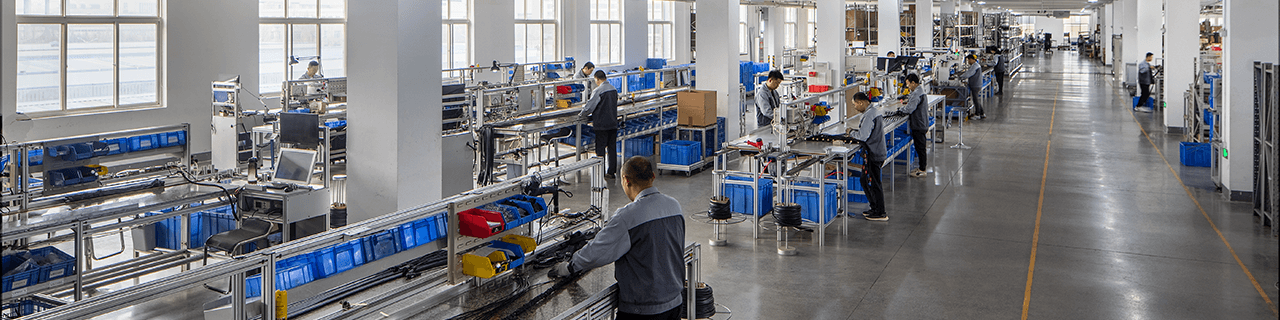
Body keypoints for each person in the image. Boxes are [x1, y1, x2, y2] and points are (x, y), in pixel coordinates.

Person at [550, 156, 686, 320]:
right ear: (653, 177)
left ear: (626, 180)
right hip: (675, 303)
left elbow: (597, 252)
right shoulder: (675, 206)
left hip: (643, 311)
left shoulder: (628, 216)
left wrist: (568, 267)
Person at [847, 92, 888, 221]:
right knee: (865, 180)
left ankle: (880, 212)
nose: (855, 108)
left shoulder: (870, 115)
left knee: (874, 183)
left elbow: (862, 136)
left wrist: (850, 132)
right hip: (875, 152)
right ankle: (874, 208)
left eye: (855, 105)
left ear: (862, 102)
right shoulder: (873, 112)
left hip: (874, 154)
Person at [580, 70, 620, 179]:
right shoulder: (614, 89)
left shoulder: (598, 90)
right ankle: (611, 172)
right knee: (612, 148)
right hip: (613, 123)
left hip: (601, 124)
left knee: (600, 148)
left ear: (597, 79)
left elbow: (590, 107)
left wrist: (581, 114)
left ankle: (600, 172)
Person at [893, 74, 929, 178]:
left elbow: (909, 109)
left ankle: (922, 170)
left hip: (919, 124)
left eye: (909, 85)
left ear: (913, 83)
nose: (908, 87)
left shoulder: (916, 93)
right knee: (920, 147)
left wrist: (900, 111)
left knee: (920, 148)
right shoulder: (919, 91)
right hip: (921, 123)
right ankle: (922, 168)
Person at [958, 54, 986, 119]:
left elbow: (968, 74)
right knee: (976, 100)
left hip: (975, 85)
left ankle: (977, 114)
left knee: (976, 100)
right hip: (977, 84)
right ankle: (982, 113)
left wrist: (960, 77)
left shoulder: (975, 66)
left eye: (968, 60)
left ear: (972, 59)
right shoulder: (976, 65)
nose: (968, 62)